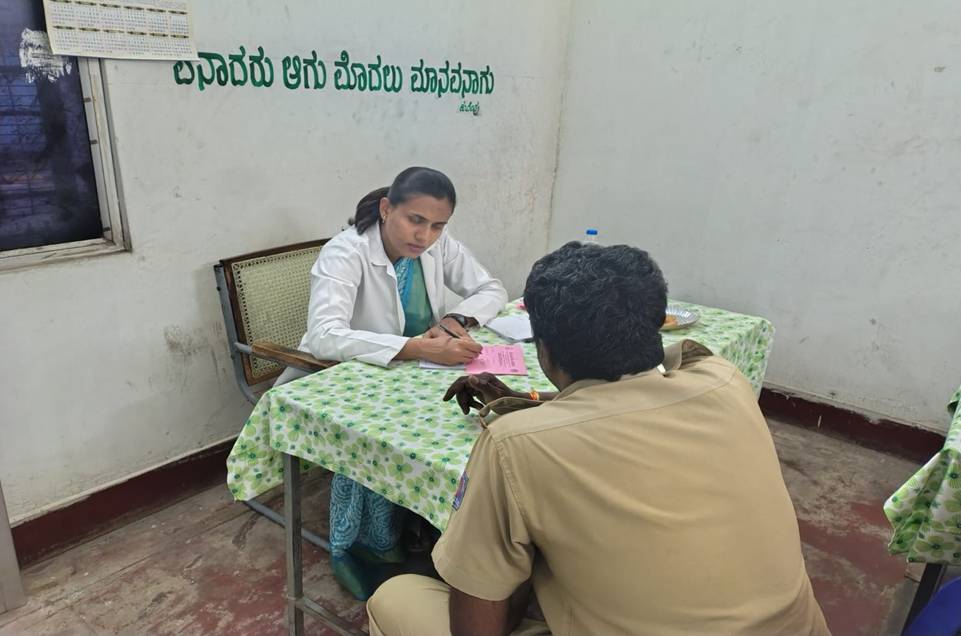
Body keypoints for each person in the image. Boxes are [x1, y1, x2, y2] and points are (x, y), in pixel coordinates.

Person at [366, 242, 830, 636]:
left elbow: (478, 625)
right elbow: (636, 385)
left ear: (542, 349)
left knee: (395, 597)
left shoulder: (513, 445)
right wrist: (531, 399)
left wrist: (525, 413)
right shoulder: (721, 377)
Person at [281, 166, 508, 600]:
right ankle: (374, 555)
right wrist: (419, 348)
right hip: (348, 377)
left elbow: (491, 288)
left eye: (437, 225)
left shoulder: (440, 248)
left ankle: (433, 527)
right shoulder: (345, 253)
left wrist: (454, 319)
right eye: (415, 220)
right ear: (387, 210)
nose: (424, 235)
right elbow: (325, 335)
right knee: (389, 438)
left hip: (419, 375)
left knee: (468, 427)